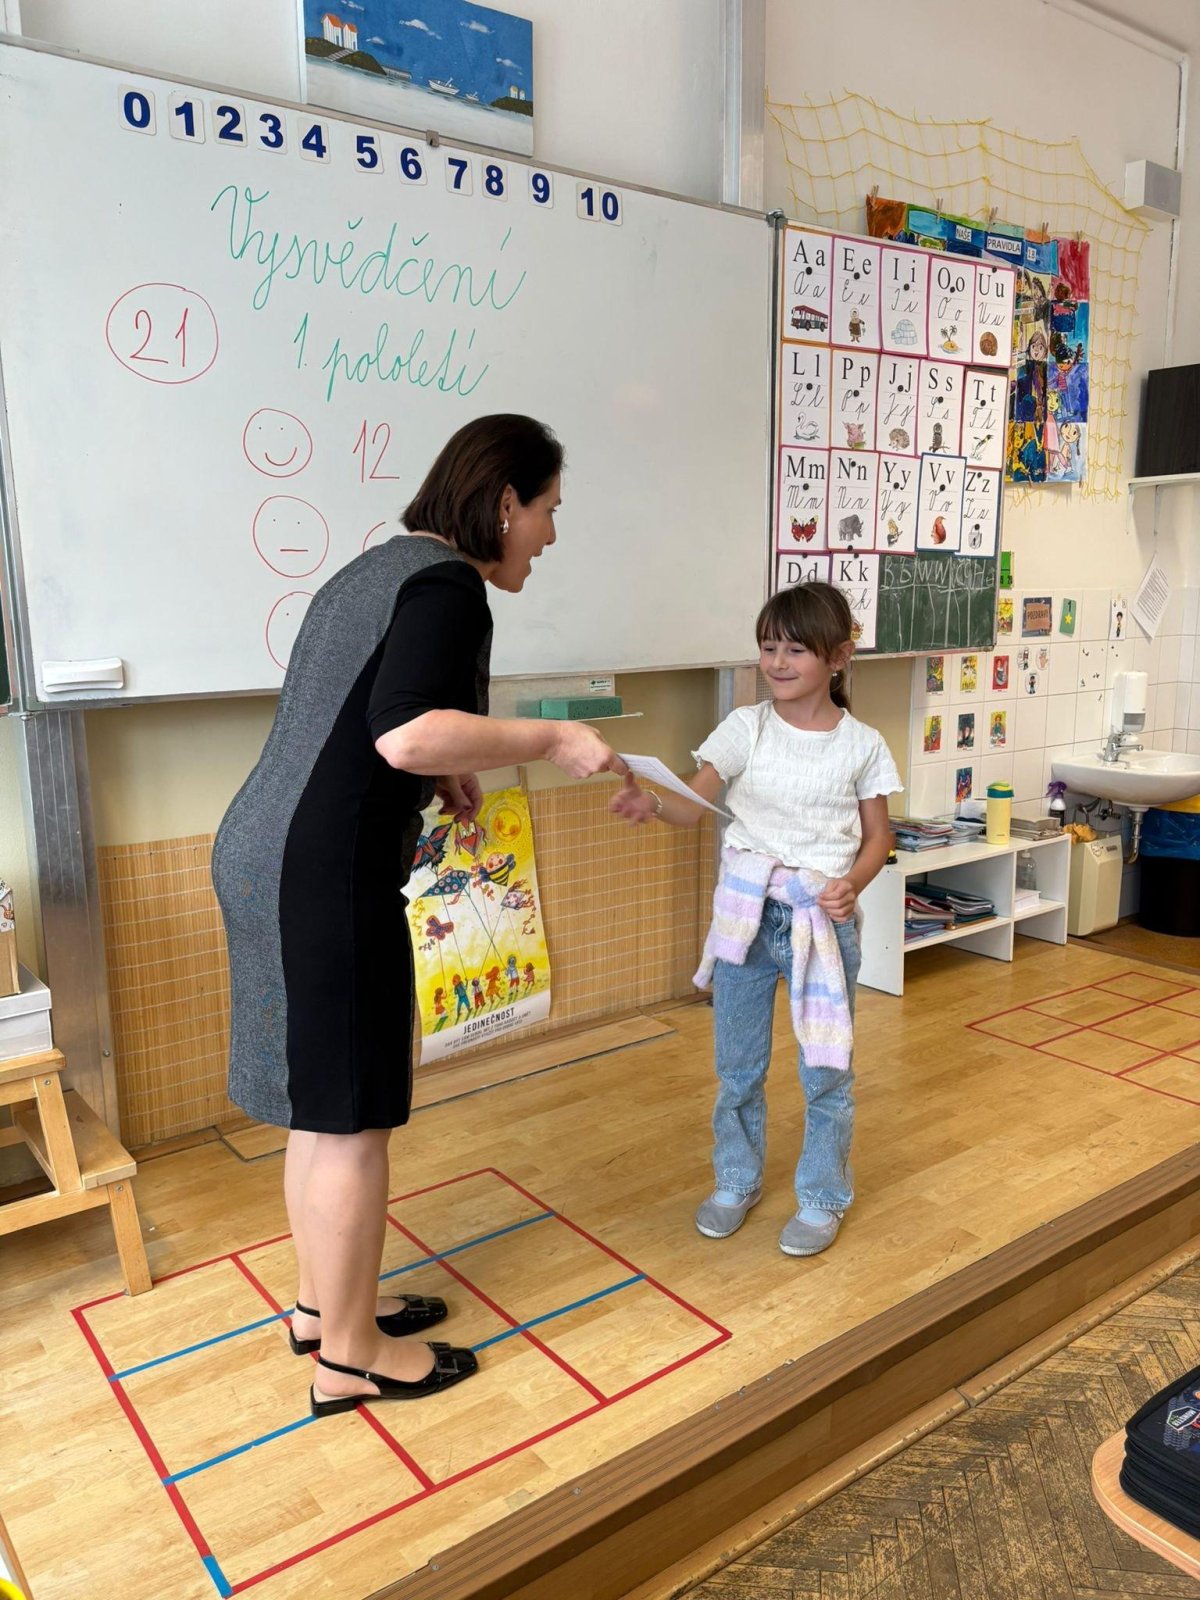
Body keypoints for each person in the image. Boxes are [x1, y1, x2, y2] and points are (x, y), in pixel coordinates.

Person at [213, 414, 624, 1417]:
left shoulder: (379, 569)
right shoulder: (449, 588)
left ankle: (324, 1309)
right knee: (354, 1119)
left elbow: (365, 718)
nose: (551, 535)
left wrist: (445, 770)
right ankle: (351, 1360)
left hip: (264, 849)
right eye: (549, 510)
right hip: (326, 870)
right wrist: (548, 739)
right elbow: (402, 731)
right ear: (504, 503)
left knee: (322, 1106)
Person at [611, 582, 900, 1256]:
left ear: (838, 657)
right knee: (737, 1068)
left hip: (820, 923)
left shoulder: (862, 745)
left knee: (826, 1070)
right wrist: (653, 805)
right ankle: (736, 1181)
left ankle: (823, 1197)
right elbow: (692, 806)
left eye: (795, 649)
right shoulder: (746, 727)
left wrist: (851, 886)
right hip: (746, 913)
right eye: (768, 647)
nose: (776, 662)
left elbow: (879, 837)